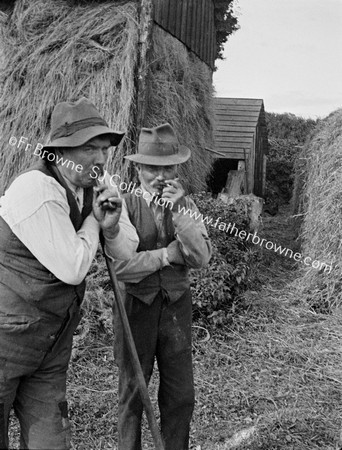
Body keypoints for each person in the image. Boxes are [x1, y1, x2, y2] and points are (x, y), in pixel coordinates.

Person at [0, 97, 125, 450]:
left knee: (51, 441)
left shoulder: (93, 189)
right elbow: (72, 267)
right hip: (6, 340)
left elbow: (123, 250)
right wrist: (94, 222)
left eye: (104, 149)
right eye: (90, 148)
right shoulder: (36, 189)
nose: (101, 159)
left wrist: (111, 226)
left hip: (50, 346)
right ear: (61, 150)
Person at [105, 123, 212, 450]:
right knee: (133, 395)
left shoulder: (185, 205)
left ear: (176, 168)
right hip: (135, 308)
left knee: (181, 395)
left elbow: (201, 257)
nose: (160, 176)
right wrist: (167, 255)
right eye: (152, 167)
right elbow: (122, 267)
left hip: (176, 308)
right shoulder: (123, 206)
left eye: (167, 167)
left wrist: (180, 213)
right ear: (138, 168)